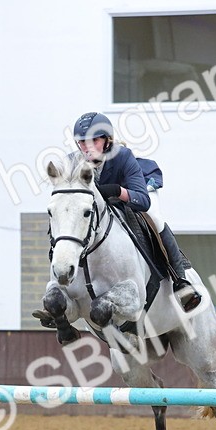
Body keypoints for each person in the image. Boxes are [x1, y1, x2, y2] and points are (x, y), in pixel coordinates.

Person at [70, 111, 201, 312]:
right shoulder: (72, 162)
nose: (86, 147)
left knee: (155, 218)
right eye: (81, 142)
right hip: (98, 211)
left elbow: (143, 200)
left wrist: (117, 191)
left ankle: (181, 281)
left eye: (93, 140)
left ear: (106, 141)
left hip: (135, 193)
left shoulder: (122, 156)